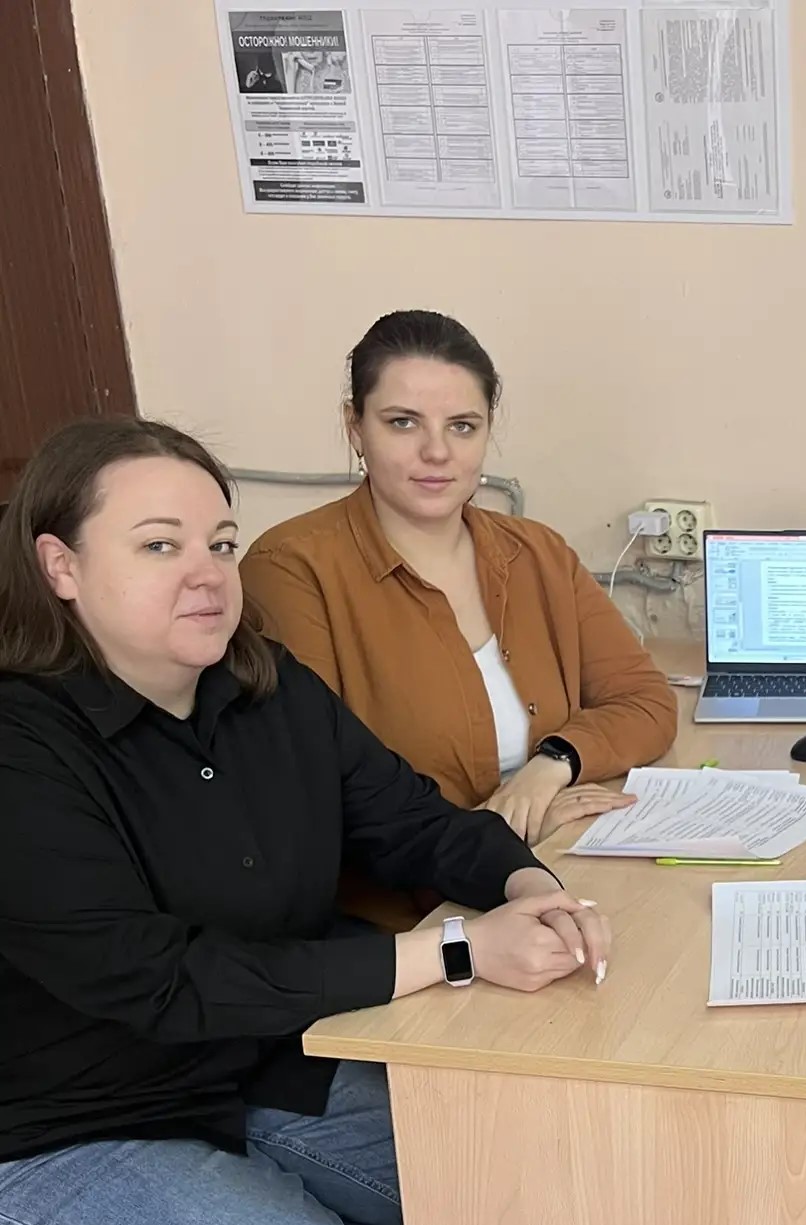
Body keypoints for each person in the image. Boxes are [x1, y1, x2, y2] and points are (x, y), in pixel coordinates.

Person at [0, 418, 615, 1225]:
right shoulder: (23, 749)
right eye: (160, 544)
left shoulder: (263, 688)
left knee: (500, 1191)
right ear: (60, 567)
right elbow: (165, 982)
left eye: (221, 542)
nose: (206, 573)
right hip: (63, 1125)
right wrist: (450, 951)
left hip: (256, 1060)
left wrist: (523, 881)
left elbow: (410, 817)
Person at [243, 309, 677, 929]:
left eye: (463, 426)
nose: (437, 452)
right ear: (355, 427)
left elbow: (646, 701)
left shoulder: (536, 552)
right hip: (406, 925)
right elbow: (317, 801)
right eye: (402, 422)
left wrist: (550, 768)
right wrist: (500, 835)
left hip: (551, 867)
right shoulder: (290, 569)